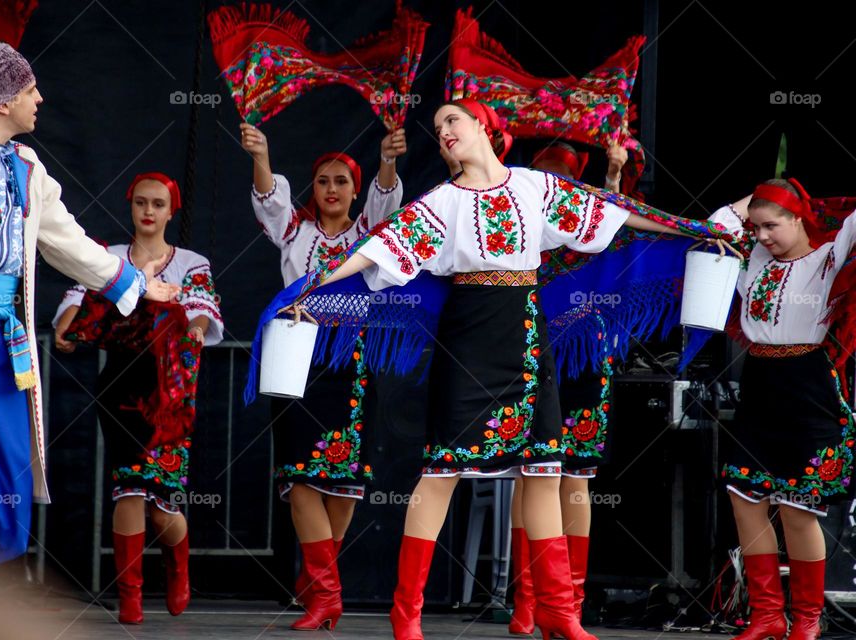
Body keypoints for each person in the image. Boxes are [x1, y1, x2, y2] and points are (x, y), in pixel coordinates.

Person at [283, 99, 727, 640]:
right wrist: (314, 286)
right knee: (442, 471)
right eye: (439, 125)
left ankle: (559, 613)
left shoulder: (535, 188)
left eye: (454, 120)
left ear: (486, 129)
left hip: (526, 335)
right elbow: (377, 250)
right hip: (468, 341)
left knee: (544, 470)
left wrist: (690, 229)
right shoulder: (441, 202)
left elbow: (611, 211)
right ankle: (407, 614)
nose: (443, 131)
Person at [0, 39, 178, 594]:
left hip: (2, 346)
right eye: (29, 90)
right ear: (1, 101)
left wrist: (136, 283)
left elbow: (65, 239)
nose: (39, 98)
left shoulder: (27, 166)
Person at [241, 121, 406, 630]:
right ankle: (326, 593)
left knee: (342, 484)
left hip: (352, 362)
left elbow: (387, 209)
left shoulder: (367, 236)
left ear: (355, 191)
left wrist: (387, 160)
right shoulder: (296, 232)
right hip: (297, 358)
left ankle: (319, 588)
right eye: (323, 181)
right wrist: (262, 153)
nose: (331, 190)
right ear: (312, 189)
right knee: (300, 478)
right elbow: (269, 200)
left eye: (341, 181)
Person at [53, 172, 223, 624]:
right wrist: (66, 325)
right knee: (127, 489)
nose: (149, 211)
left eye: (158, 204)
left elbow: (203, 308)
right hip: (122, 389)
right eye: (141, 203)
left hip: (171, 392)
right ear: (131, 207)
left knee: (163, 507)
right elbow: (76, 296)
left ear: (172, 211)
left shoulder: (191, 262)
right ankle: (129, 596)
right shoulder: (107, 257)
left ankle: (177, 560)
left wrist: (194, 329)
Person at [708, 180, 855, 640]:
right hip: (759, 382)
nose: (762, 236)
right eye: (756, 227)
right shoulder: (752, 259)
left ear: (799, 219)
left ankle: (807, 619)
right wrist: (755, 198)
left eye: (772, 225)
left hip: (808, 383)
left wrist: (796, 194)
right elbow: (715, 224)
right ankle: (767, 615)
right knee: (746, 497)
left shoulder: (828, 258)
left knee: (797, 507)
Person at [508, 140, 628, 634]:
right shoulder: (520, 226)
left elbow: (619, 232)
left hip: (585, 365)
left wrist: (615, 178)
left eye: (565, 179)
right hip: (533, 355)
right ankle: (526, 601)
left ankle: (569, 601)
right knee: (529, 474)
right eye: (545, 177)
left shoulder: (591, 230)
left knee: (574, 477)